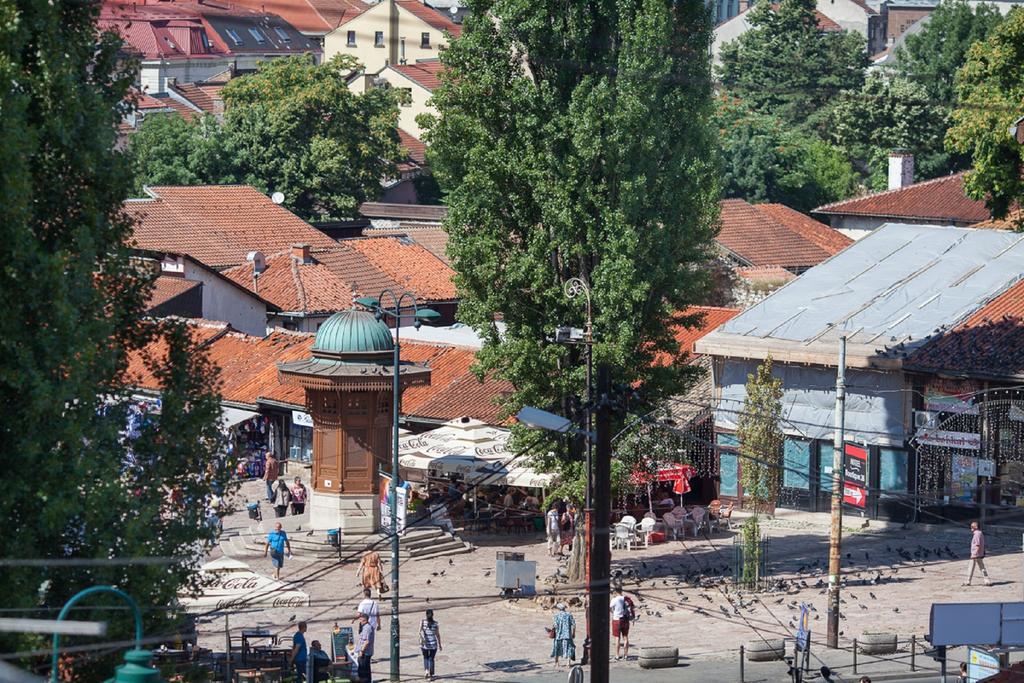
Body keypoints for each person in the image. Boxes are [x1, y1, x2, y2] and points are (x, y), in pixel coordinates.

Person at [963, 521, 992, 586]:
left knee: (971, 567)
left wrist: (974, 554)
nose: (971, 528)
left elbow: (977, 545)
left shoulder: (977, 534)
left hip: (975, 554)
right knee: (982, 568)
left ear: (976, 527)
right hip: (980, 554)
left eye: (972, 526)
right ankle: (987, 580)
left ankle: (968, 581)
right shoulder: (980, 533)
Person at [550, 603, 576, 667]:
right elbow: (574, 625)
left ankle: (557, 663)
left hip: (558, 635)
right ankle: (568, 663)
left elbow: (555, 625)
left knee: (557, 648)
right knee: (569, 648)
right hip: (567, 635)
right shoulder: (569, 615)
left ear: (558, 609)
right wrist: (573, 633)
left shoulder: (556, 616)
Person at [609, 587, 632, 660]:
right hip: (625, 620)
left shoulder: (614, 600)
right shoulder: (625, 599)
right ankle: (626, 655)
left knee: (617, 638)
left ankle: (617, 655)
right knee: (625, 637)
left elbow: (609, 608)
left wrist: (613, 612)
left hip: (617, 620)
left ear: (616, 592)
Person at [420, 609, 442, 680]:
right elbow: (437, 635)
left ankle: (426, 671)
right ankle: (431, 675)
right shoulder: (435, 624)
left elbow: (420, 631)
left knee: (425, 657)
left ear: (426, 615)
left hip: (425, 644)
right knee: (431, 658)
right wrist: (440, 644)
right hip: (433, 644)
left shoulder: (423, 622)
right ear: (433, 615)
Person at [355, 611, 374, 683]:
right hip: (365, 652)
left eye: (360, 620)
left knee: (363, 670)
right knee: (365, 670)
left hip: (365, 653)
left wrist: (362, 651)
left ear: (364, 620)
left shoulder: (367, 628)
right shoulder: (366, 627)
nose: (359, 621)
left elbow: (366, 641)